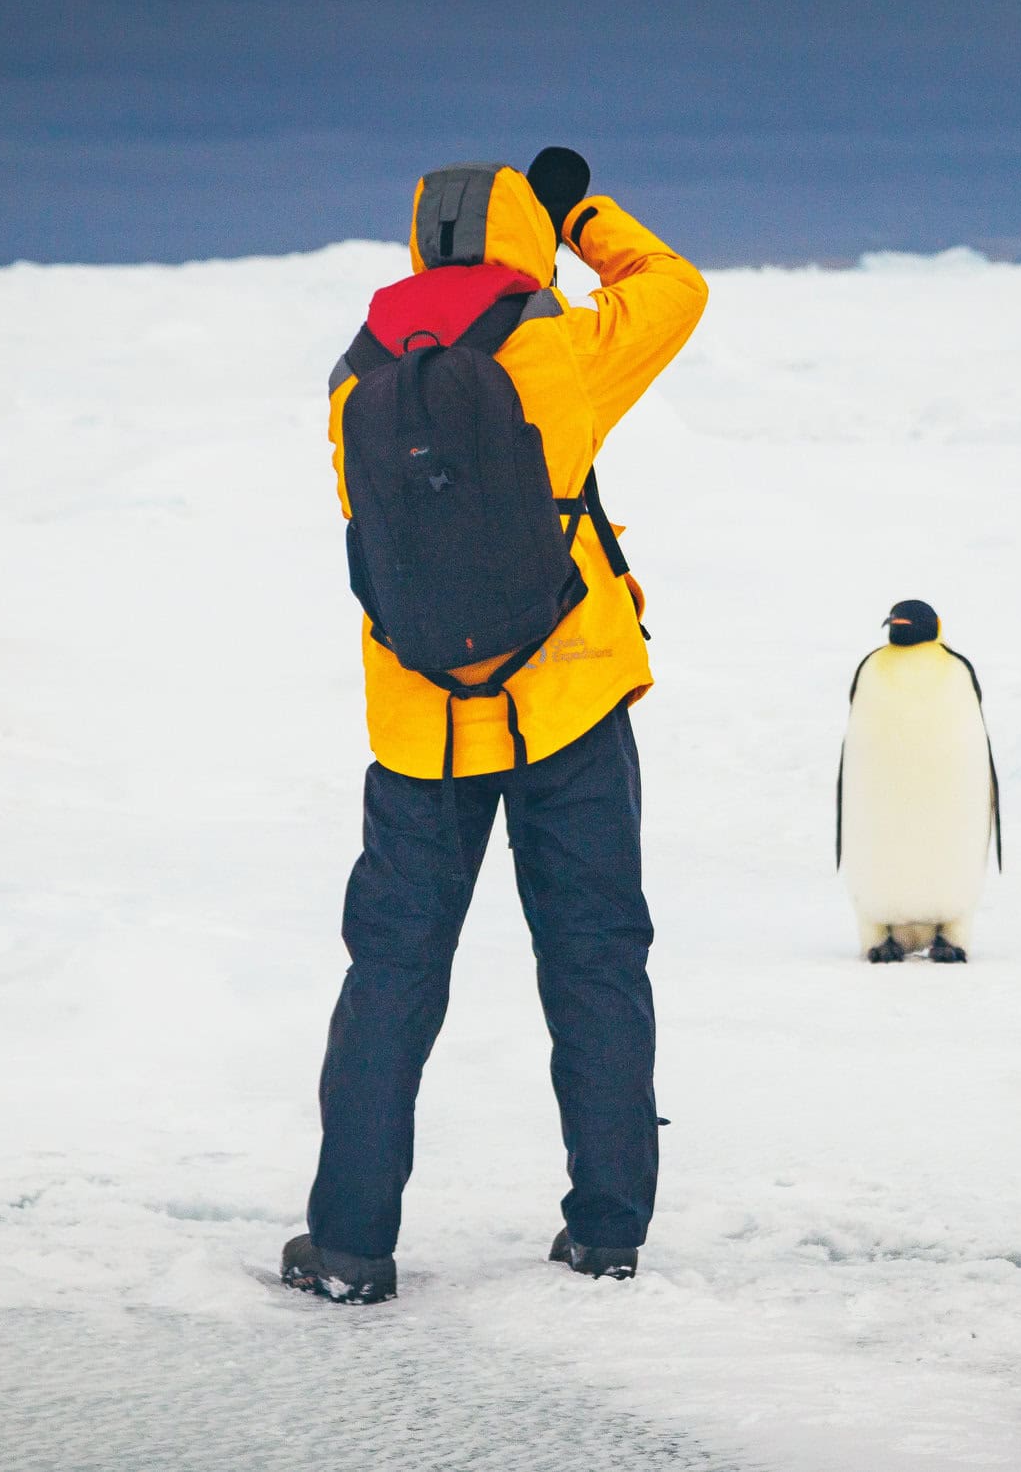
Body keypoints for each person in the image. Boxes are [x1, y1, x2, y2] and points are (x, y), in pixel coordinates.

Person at [283, 151, 706, 1304]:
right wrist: (584, 216)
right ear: (522, 237)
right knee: (595, 964)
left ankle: (351, 1247)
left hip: (422, 725)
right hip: (568, 703)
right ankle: (607, 1230)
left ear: (422, 242)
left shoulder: (352, 377)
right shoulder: (559, 349)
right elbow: (675, 290)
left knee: (393, 976)